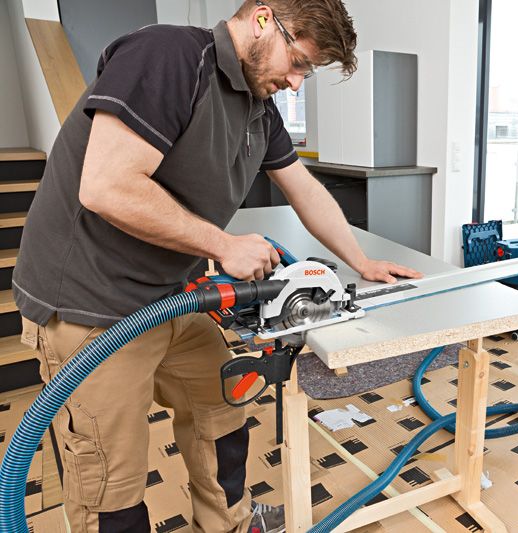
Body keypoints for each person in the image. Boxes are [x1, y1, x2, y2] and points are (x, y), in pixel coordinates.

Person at [12, 1, 421, 531]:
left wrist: (361, 261)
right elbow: (106, 186)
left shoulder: (259, 106)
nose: (297, 83)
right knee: (111, 478)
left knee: (222, 412)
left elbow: (304, 191)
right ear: (263, 19)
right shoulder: (167, 58)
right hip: (92, 305)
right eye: (298, 63)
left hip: (173, 297)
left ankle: (230, 522)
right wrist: (223, 245)